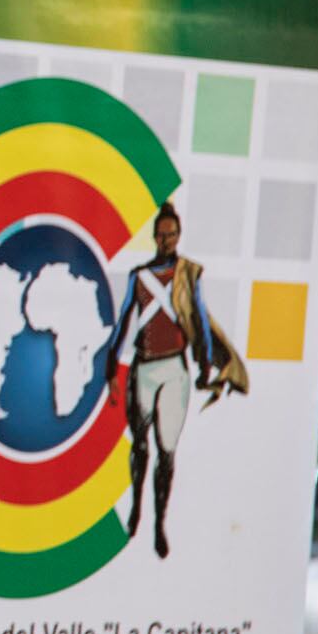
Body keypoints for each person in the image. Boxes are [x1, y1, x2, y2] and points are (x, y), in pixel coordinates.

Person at [104, 201, 246, 558]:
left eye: (173, 234)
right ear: (155, 236)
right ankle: (136, 510)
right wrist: (110, 370)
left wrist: (203, 366)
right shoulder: (139, 277)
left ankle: (158, 525)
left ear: (178, 236)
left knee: (167, 452)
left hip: (174, 369)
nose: (167, 240)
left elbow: (198, 320)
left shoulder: (188, 274)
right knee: (140, 446)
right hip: (143, 366)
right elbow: (123, 322)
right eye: (162, 235)